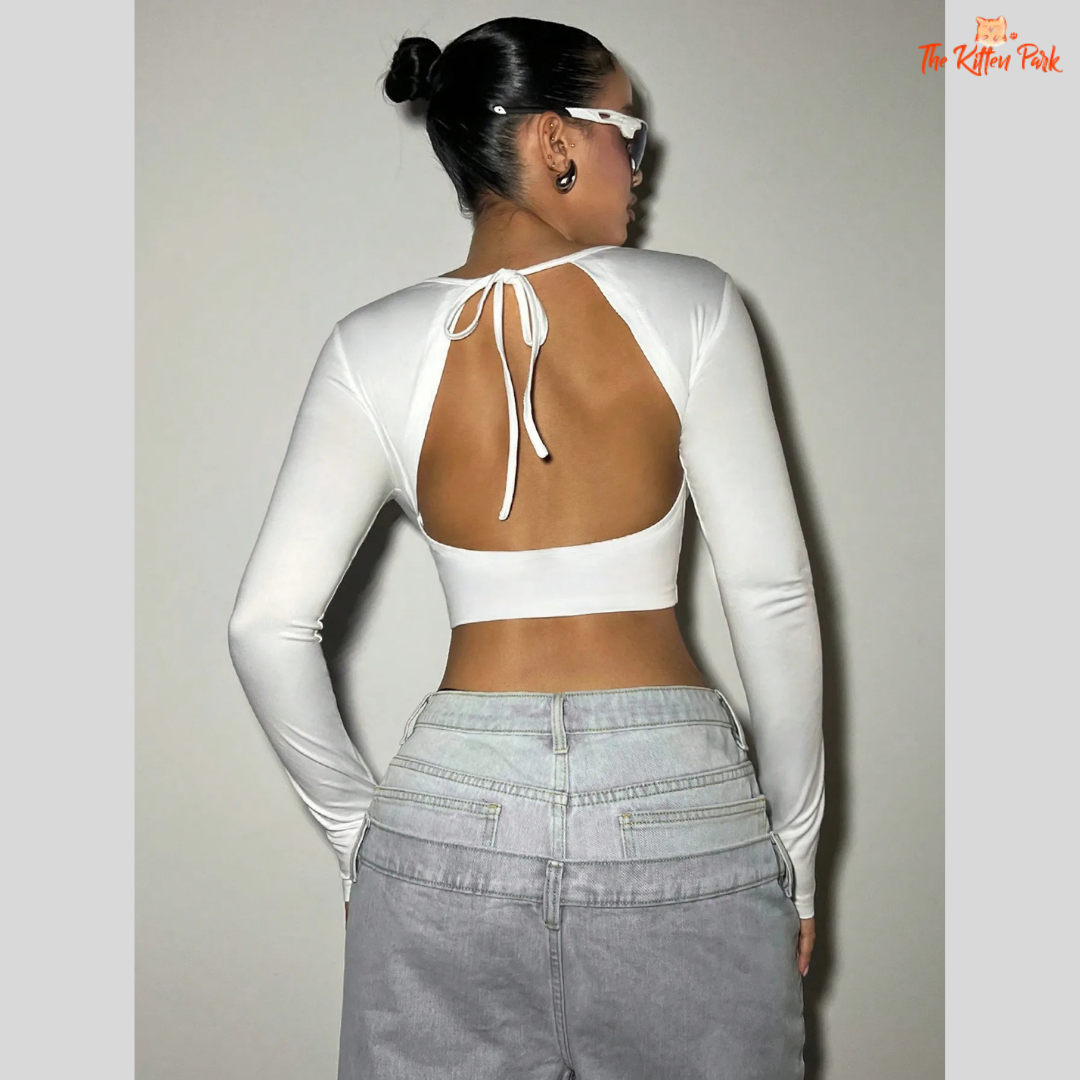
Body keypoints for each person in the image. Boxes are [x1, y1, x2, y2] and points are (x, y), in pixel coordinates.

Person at [228, 15, 824, 1080]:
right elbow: (770, 593)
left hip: (448, 812)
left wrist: (361, 839)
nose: (640, 165)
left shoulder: (368, 345)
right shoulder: (693, 302)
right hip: (674, 805)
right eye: (627, 133)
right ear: (556, 140)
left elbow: (264, 626)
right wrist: (797, 857)